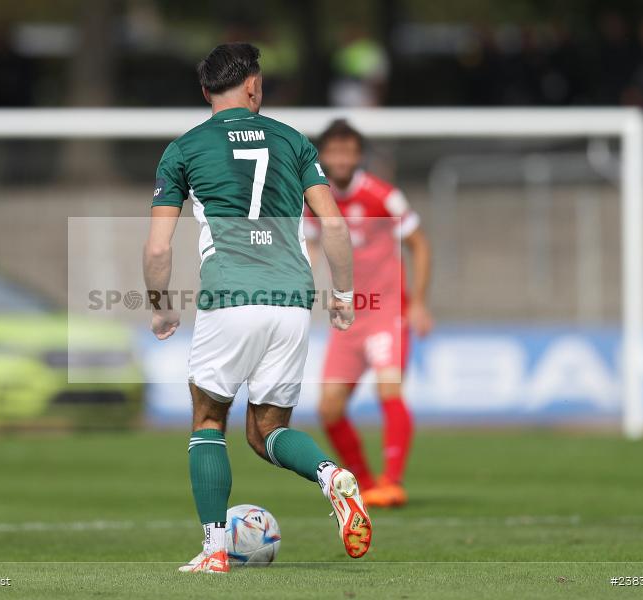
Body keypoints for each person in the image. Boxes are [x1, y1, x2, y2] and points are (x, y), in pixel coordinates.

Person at [143, 43, 372, 574]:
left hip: (229, 297)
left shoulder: (183, 149)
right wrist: (341, 295)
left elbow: (157, 248)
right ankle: (330, 475)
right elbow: (334, 227)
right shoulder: (293, 141)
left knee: (208, 420)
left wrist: (159, 307)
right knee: (266, 430)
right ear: (253, 87)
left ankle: (215, 550)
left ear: (207, 93)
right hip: (292, 299)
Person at [307, 119, 433, 508]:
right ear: (323, 155)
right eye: (334, 151)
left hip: (385, 314)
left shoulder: (384, 196)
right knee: (328, 407)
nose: (341, 158)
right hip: (347, 319)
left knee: (388, 388)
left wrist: (418, 302)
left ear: (358, 156)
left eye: (348, 151)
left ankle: (391, 482)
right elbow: (310, 250)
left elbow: (420, 245)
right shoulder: (315, 199)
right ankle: (363, 481)